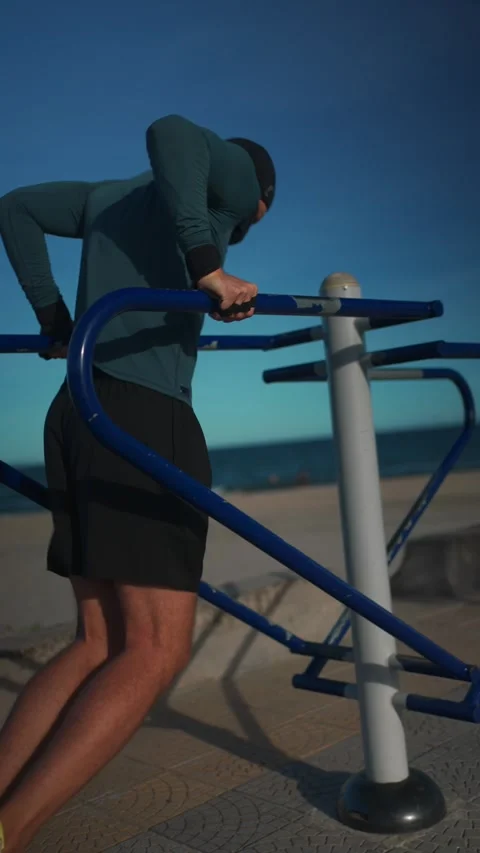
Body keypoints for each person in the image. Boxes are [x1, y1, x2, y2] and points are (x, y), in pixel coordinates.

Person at [0, 113, 276, 852]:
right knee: (155, 649)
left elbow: (15, 207)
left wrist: (54, 319)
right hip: (141, 414)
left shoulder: (105, 198)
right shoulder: (241, 182)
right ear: (259, 202)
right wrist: (207, 263)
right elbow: (173, 130)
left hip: (77, 409)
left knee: (98, 640)